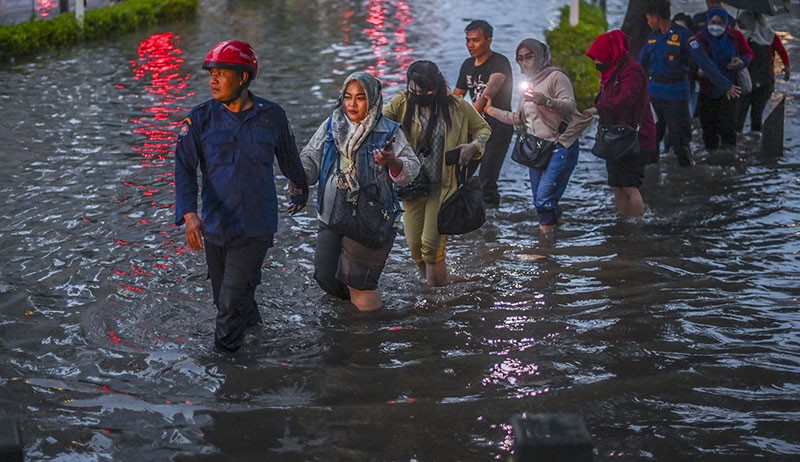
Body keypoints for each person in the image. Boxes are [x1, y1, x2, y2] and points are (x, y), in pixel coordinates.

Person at [174, 40, 309, 352]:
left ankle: (227, 375)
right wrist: (189, 214)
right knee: (228, 300)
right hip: (216, 228)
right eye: (212, 74)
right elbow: (183, 168)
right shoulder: (200, 119)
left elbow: (289, 160)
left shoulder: (272, 116)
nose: (214, 80)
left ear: (243, 78)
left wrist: (300, 188)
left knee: (229, 305)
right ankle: (259, 340)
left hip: (255, 228)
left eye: (222, 73)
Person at [297, 72, 419, 311]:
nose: (352, 104)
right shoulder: (333, 124)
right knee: (325, 275)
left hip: (369, 218)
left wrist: (393, 162)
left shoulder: (388, 131)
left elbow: (411, 171)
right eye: (348, 97)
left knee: (360, 284)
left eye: (360, 98)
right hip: (332, 213)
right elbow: (311, 158)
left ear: (372, 100)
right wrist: (297, 176)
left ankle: (368, 335)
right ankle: (351, 316)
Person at [384, 60, 491, 285]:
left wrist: (473, 147)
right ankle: (441, 283)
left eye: (423, 92)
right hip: (411, 186)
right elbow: (378, 124)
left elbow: (483, 129)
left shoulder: (457, 107)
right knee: (415, 248)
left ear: (436, 88)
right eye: (413, 91)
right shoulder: (401, 103)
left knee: (431, 246)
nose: (417, 96)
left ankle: (436, 300)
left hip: (444, 185)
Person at [483, 39, 592, 236]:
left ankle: (545, 245)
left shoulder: (556, 77)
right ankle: (557, 228)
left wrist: (546, 101)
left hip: (561, 145)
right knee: (540, 200)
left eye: (529, 57)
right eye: (520, 59)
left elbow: (569, 104)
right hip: (538, 149)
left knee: (543, 199)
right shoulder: (528, 85)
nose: (525, 63)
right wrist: (490, 110)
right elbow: (518, 118)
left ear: (541, 56)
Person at [638, 0, 739, 167]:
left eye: (649, 18)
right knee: (650, 142)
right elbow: (639, 65)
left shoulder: (685, 36)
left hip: (676, 98)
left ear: (656, 17)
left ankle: (687, 178)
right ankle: (651, 182)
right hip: (654, 98)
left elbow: (704, 62)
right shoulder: (652, 38)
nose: (648, 22)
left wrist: (725, 85)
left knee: (680, 142)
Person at [585, 30, 657, 219]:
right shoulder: (610, 74)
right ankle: (624, 221)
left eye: (599, 57)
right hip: (615, 137)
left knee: (630, 185)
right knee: (616, 185)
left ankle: (636, 226)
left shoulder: (632, 70)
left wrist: (598, 109)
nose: (596, 62)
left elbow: (626, 98)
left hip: (635, 137)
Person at [452, 19, 513, 209]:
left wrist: (465, 115)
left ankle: (491, 223)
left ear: (489, 40)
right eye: (468, 40)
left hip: (498, 128)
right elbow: (457, 97)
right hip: (475, 128)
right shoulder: (467, 65)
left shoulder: (499, 63)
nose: (470, 45)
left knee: (487, 180)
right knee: (457, 173)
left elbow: (487, 94)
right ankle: (464, 212)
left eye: (476, 40)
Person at [695, 7, 753, 149]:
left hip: (730, 88)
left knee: (728, 126)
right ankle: (711, 157)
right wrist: (698, 69)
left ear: (726, 23)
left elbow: (748, 53)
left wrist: (742, 62)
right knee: (708, 128)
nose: (716, 25)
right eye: (713, 21)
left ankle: (729, 159)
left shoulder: (736, 37)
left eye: (720, 23)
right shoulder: (700, 38)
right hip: (707, 89)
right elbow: (691, 58)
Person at [735, 10, 791, 133]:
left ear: (749, 22)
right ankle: (737, 144)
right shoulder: (738, 38)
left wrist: (786, 67)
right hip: (744, 83)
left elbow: (782, 51)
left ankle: (755, 142)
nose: (739, 25)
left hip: (764, 83)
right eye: (738, 22)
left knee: (756, 115)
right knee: (739, 116)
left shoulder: (769, 36)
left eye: (741, 23)